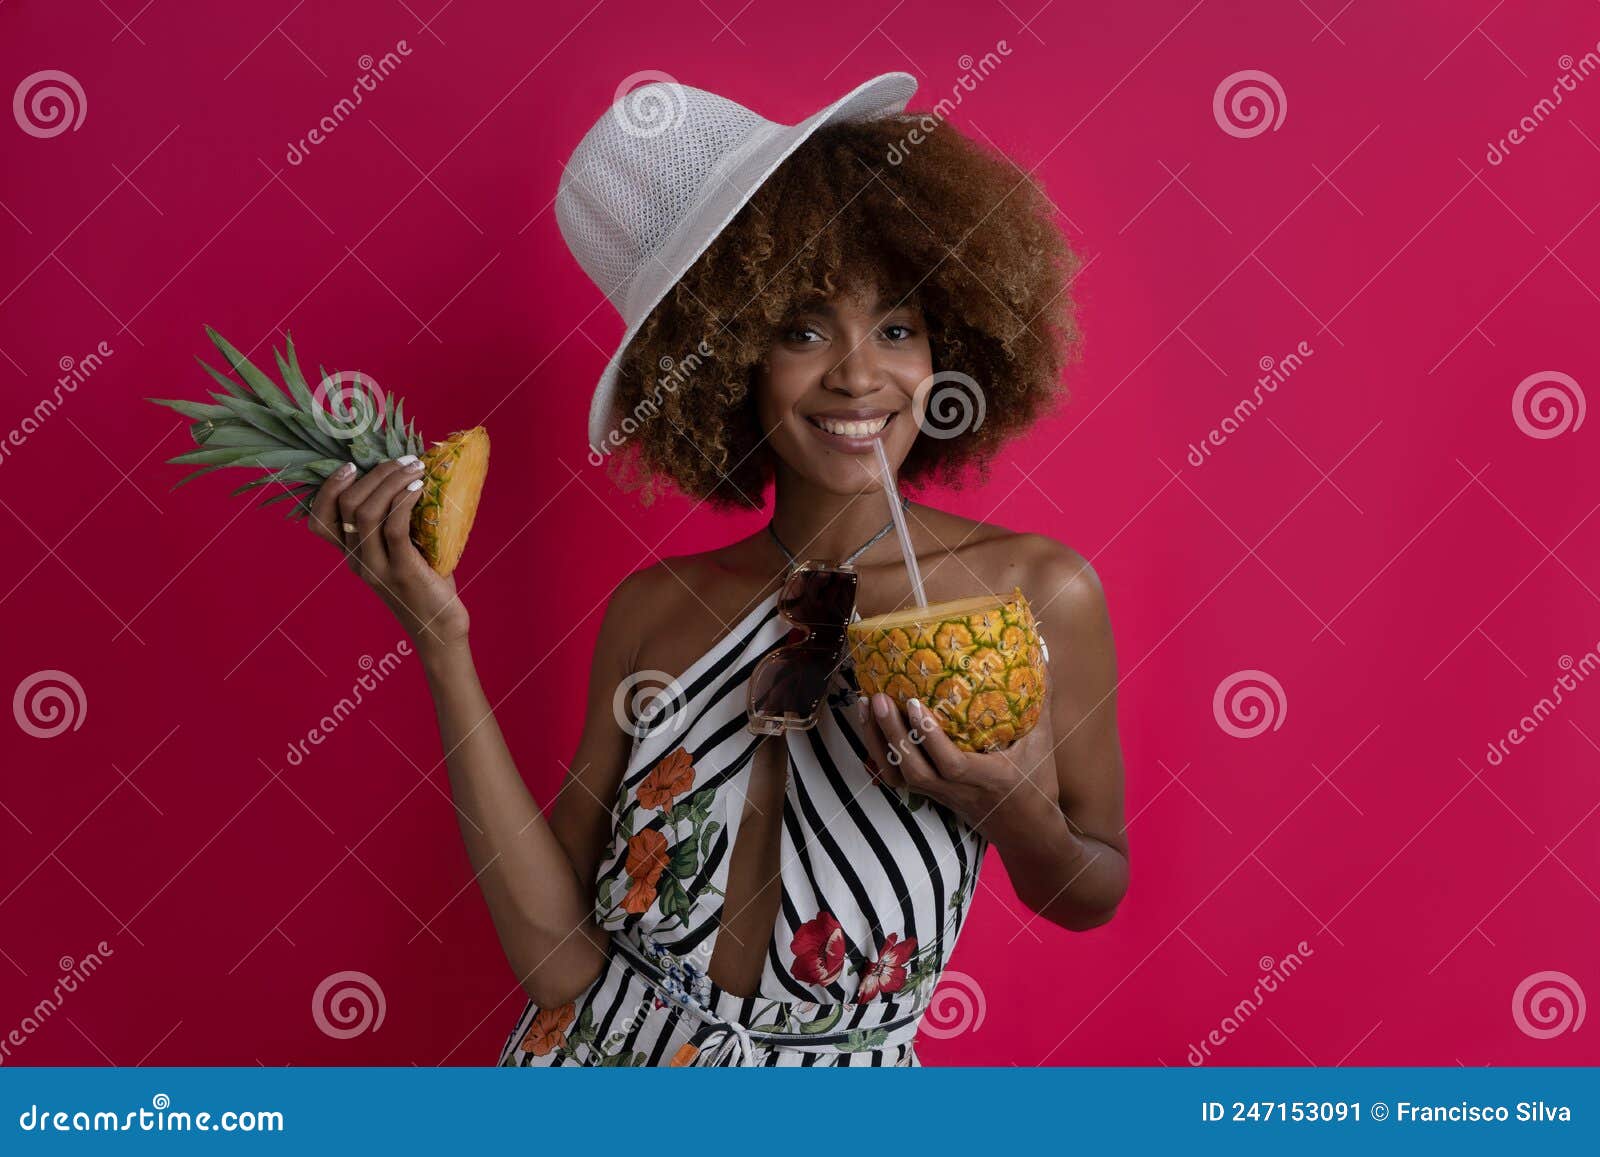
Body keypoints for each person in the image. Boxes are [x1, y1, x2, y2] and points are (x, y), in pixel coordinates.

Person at [305, 73, 1128, 1066]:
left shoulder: (1034, 592)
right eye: (800, 328)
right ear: (724, 358)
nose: (859, 374)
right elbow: (559, 963)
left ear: (951, 343)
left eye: (898, 327)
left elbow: (1090, 885)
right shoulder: (659, 609)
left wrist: (995, 800)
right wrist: (441, 641)